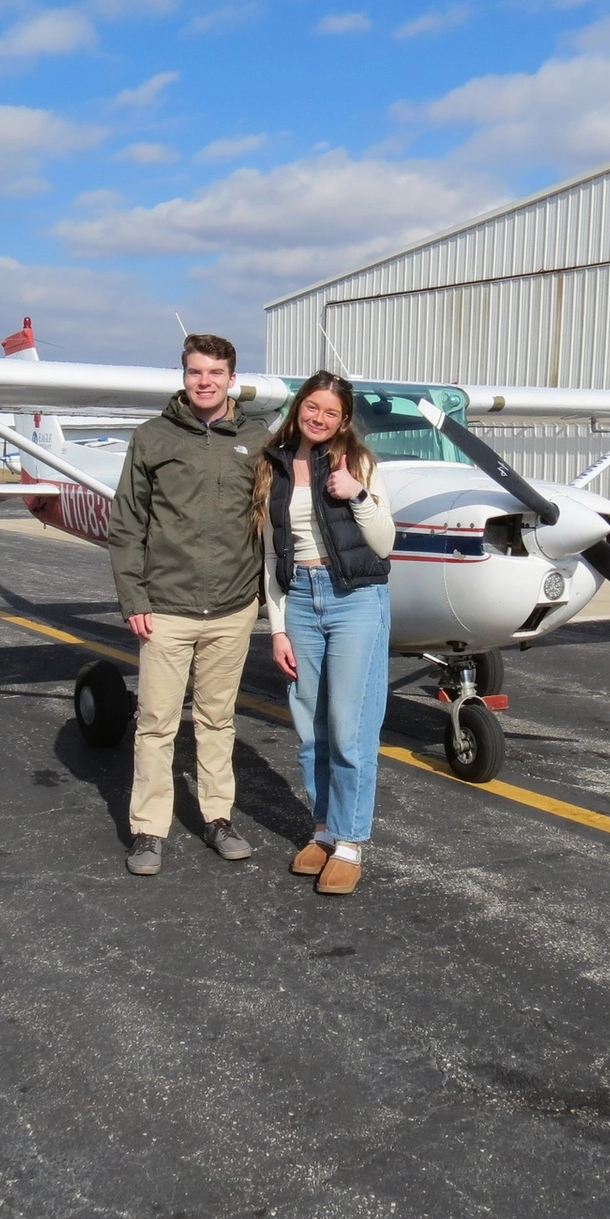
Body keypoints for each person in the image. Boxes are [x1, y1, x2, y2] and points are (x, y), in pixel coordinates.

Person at [106, 333, 271, 876]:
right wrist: (134, 595)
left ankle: (217, 817)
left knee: (217, 720)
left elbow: (279, 517)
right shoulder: (152, 438)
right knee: (155, 723)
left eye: (215, 373)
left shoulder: (256, 438)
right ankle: (148, 830)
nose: (205, 382)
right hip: (167, 608)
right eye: (196, 372)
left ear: (232, 378)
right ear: (183, 377)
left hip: (232, 608)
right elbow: (127, 523)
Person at [255, 372, 395, 895]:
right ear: (299, 408)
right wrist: (277, 628)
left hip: (355, 599)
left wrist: (357, 494)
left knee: (349, 726)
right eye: (312, 407)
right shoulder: (272, 466)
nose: (319, 418)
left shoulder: (358, 463)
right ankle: (322, 830)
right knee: (310, 727)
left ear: (344, 419)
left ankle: (351, 842)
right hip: (301, 603)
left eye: (331, 412)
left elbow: (383, 543)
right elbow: (272, 554)